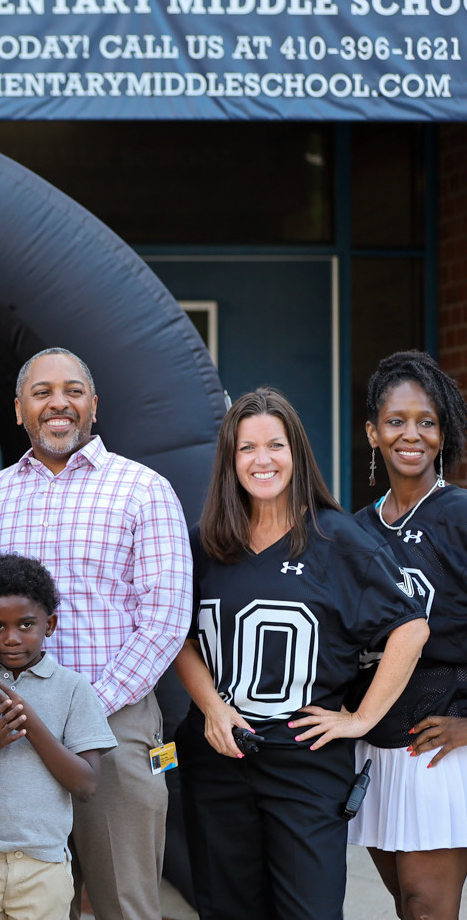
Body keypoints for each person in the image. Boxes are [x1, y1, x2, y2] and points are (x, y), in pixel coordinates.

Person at [172, 387, 429, 920]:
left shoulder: (338, 539)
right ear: (229, 458)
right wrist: (213, 708)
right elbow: (178, 636)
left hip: (305, 762)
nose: (262, 460)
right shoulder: (207, 541)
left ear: (297, 453)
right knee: (227, 910)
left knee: (309, 912)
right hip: (219, 759)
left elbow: (411, 627)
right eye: (246, 448)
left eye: (275, 445)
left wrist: (359, 718)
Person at [0, 347, 191, 920]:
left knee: (125, 902)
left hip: (117, 721)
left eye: (73, 390)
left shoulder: (144, 490)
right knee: (20, 900)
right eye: (42, 392)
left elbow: (165, 618)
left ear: (93, 404)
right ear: (18, 410)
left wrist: (83, 708)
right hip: (7, 724)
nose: (58, 402)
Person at [349, 352, 467, 920]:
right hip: (376, 742)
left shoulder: (460, 514)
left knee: (427, 907)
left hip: (442, 742)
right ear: (373, 432)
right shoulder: (356, 528)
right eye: (396, 421)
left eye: (427, 421)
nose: (411, 435)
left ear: (443, 434)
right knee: (406, 906)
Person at [0, 553, 114, 920]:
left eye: (26, 625)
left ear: (50, 624)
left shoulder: (74, 689)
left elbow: (86, 785)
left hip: (45, 863)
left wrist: (32, 725)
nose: (11, 638)